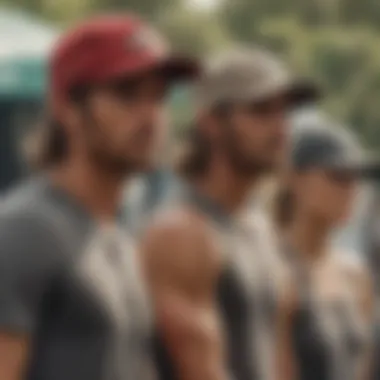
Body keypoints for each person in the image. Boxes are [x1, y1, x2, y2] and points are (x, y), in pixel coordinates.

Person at [0, 14, 198, 380]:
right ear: (66, 108)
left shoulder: (118, 237)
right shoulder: (25, 231)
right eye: (127, 94)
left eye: (159, 96)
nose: (151, 115)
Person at [140, 47, 319, 380]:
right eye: (261, 111)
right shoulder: (181, 232)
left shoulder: (261, 227)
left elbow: (279, 362)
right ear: (211, 121)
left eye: (284, 112)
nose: (280, 129)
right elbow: (200, 371)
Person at [274, 123, 376, 380]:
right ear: (295, 178)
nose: (351, 190)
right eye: (338, 177)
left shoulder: (355, 276)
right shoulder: (274, 269)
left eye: (355, 179)